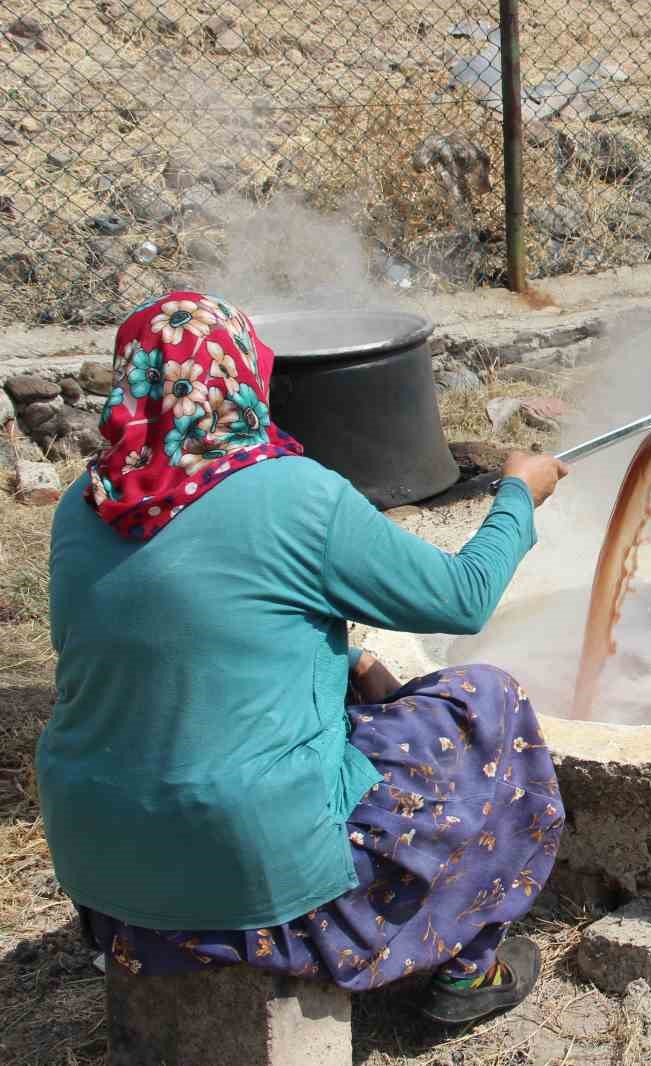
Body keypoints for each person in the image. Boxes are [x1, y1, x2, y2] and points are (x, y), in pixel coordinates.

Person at [37, 292, 568, 1025]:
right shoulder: (295, 497)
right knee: (488, 704)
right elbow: (465, 597)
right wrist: (518, 494)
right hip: (255, 875)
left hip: (104, 873)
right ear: (249, 376)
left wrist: (339, 662)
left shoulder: (82, 507)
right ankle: (471, 971)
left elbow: (153, 650)